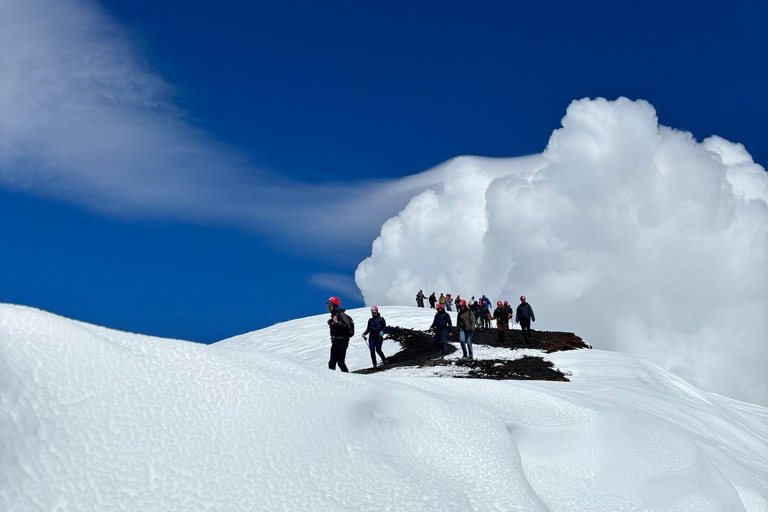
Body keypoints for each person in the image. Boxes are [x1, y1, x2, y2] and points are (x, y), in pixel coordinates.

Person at [326, 296, 354, 372]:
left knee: (340, 363)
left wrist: (337, 322)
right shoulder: (335, 316)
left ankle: (348, 379)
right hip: (335, 341)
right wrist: (331, 324)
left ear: (334, 306)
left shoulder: (341, 315)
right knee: (332, 363)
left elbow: (347, 328)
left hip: (342, 341)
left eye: (329, 306)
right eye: (327, 305)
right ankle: (331, 381)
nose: (328, 307)